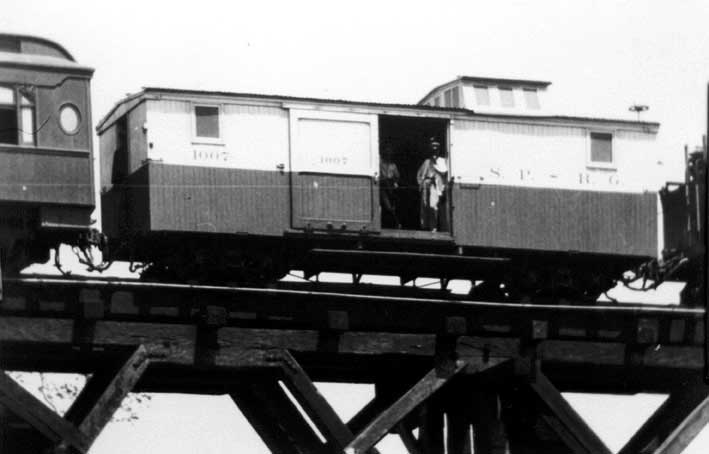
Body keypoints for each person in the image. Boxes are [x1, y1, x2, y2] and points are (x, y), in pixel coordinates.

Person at [416, 137, 448, 231]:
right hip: (426, 185)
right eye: (433, 149)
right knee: (425, 206)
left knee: (433, 205)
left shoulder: (443, 161)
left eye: (436, 149)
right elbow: (419, 175)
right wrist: (422, 184)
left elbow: (444, 173)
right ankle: (426, 227)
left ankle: (434, 227)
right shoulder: (426, 161)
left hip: (436, 185)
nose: (434, 151)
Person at [379, 144, 401, 228]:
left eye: (390, 153)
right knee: (387, 206)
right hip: (383, 186)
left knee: (392, 206)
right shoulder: (381, 163)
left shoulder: (393, 165)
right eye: (387, 153)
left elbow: (397, 177)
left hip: (391, 187)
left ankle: (396, 224)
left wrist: (395, 183)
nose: (388, 155)